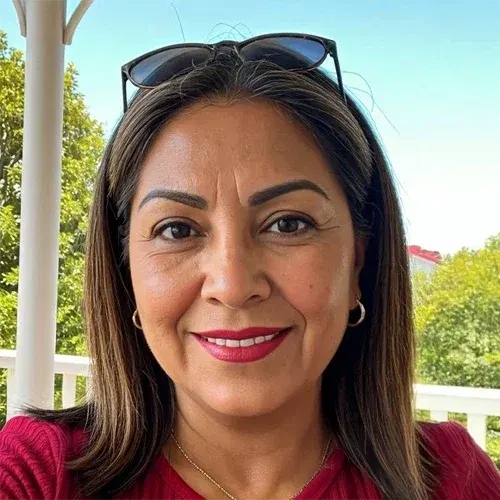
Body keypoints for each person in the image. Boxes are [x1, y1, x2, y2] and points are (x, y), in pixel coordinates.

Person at [1, 33, 499, 500]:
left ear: (357, 264)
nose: (233, 284)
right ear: (126, 272)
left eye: (288, 224)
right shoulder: (38, 472)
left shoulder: (450, 479)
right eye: (177, 230)